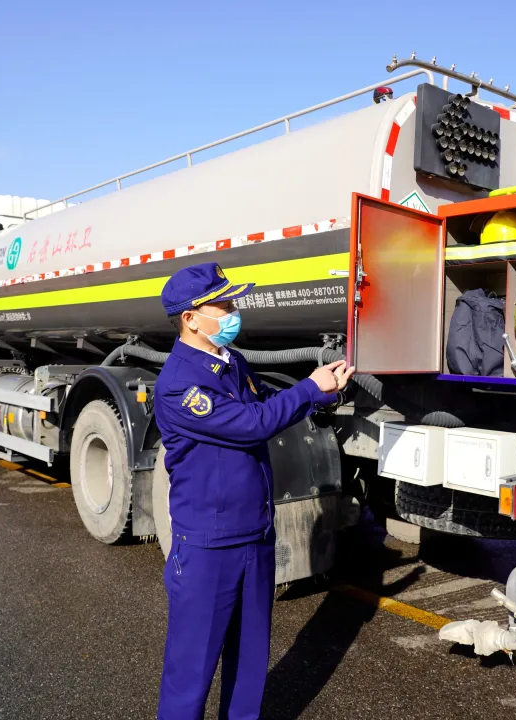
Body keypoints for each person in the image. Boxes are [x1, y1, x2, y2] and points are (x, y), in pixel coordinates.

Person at [153, 261, 353, 720]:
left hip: (254, 536)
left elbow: (264, 402)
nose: (233, 312)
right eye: (223, 305)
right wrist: (309, 388)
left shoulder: (232, 362)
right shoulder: (179, 384)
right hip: (209, 546)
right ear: (191, 319)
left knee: (248, 667)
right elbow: (251, 424)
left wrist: (322, 394)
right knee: (190, 675)